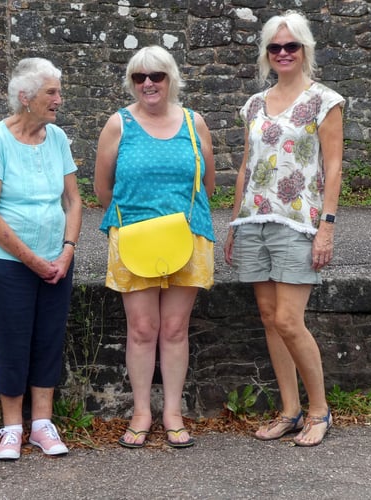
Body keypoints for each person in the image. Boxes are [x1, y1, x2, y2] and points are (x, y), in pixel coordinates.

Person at [223, 11, 345, 447]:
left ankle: (320, 411)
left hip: (298, 221)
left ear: (305, 49)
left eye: (290, 45)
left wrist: (326, 227)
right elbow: (246, 167)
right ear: (266, 53)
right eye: (275, 47)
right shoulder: (255, 104)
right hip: (254, 219)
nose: (282, 53)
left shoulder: (324, 101)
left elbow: (333, 168)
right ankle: (291, 411)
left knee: (290, 320)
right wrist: (234, 223)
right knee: (270, 320)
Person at [94, 45, 216, 449]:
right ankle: (142, 411)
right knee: (142, 329)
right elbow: (101, 190)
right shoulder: (119, 124)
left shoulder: (195, 122)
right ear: (131, 82)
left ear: (171, 79)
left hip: (187, 234)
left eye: (157, 76)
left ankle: (174, 413)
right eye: (139, 77)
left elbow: (208, 185)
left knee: (176, 329)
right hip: (134, 238)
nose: (148, 83)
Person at [0, 57, 82, 461]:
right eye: (51, 92)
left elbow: (73, 201)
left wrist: (67, 250)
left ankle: (41, 424)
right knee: (14, 338)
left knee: (49, 337)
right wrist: (31, 259)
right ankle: (11, 428)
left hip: (57, 258)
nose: (59, 99)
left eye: (58, 91)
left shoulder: (57, 138)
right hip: (8, 260)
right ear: (26, 98)